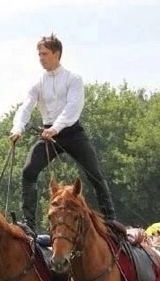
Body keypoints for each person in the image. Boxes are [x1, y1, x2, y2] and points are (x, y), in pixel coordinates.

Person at [9, 34, 116, 232]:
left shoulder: (73, 79)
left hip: (72, 132)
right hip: (49, 134)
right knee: (28, 171)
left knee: (95, 173)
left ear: (57, 54)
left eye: (45, 54)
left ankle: (110, 219)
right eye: (39, 54)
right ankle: (29, 224)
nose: (41, 58)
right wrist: (18, 128)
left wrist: (55, 128)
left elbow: (72, 108)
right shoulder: (37, 83)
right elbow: (25, 107)